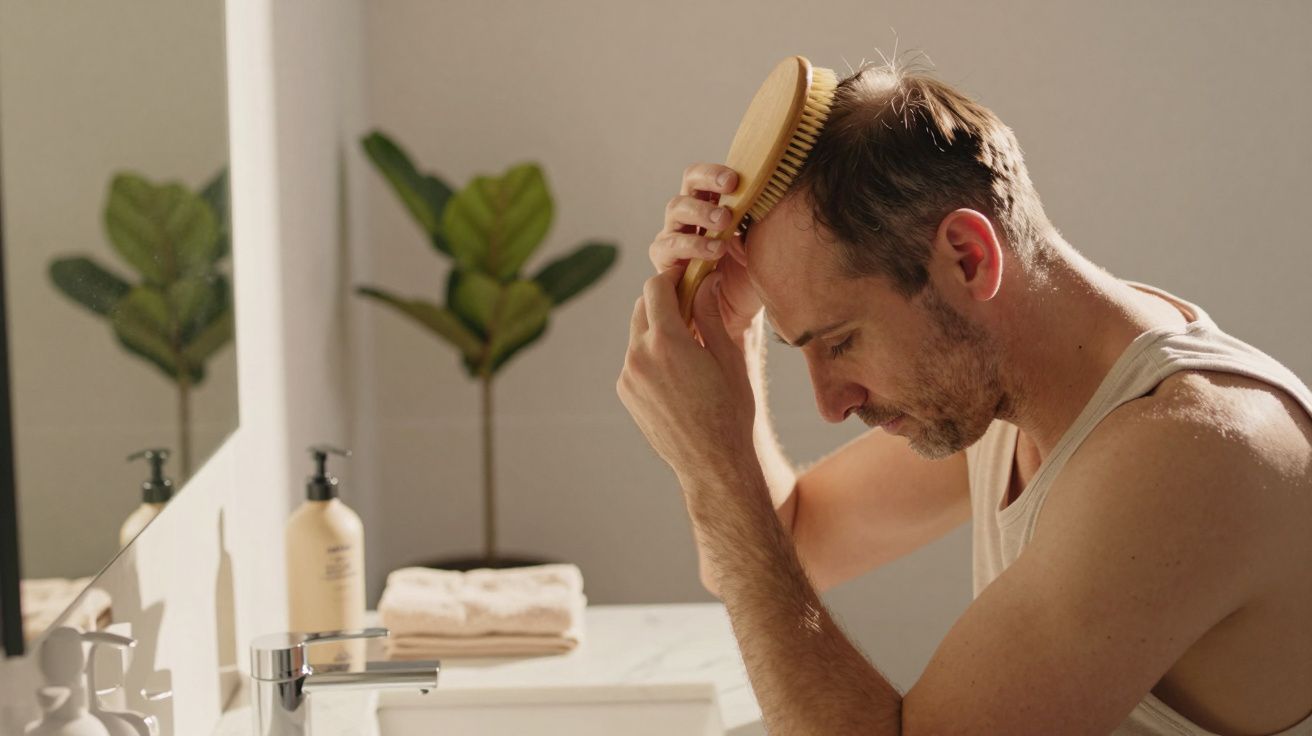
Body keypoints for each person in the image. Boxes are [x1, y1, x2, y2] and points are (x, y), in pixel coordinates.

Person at [617, 61, 1312, 735]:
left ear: (967, 257)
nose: (831, 402)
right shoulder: (1018, 385)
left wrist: (717, 468)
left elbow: (759, 548)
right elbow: (794, 539)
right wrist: (730, 341)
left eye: (841, 340)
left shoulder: (1187, 453)